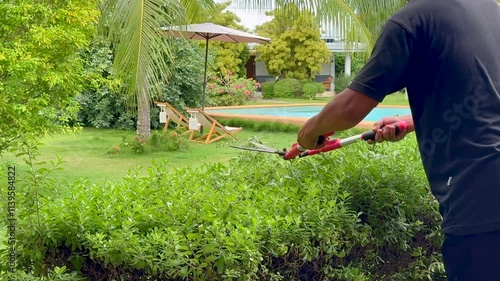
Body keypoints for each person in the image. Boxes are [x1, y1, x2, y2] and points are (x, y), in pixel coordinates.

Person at [296, 0, 500, 280]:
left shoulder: (412, 20)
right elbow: (483, 96)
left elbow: (350, 108)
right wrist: (414, 122)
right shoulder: (490, 10)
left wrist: (308, 133)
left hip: (481, 203)